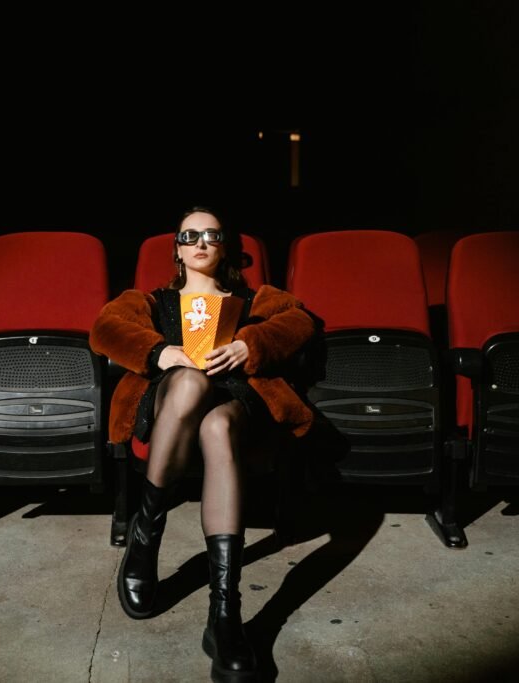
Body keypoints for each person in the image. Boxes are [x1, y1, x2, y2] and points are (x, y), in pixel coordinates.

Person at [89, 207, 315, 682]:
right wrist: (159, 352)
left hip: (234, 403)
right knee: (189, 382)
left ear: (225, 246)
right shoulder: (152, 300)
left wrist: (250, 344)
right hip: (171, 401)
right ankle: (146, 537)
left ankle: (225, 617)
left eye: (211, 235)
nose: (201, 242)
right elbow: (105, 328)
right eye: (189, 235)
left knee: (218, 427)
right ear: (177, 248)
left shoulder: (253, 299)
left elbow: (300, 321)